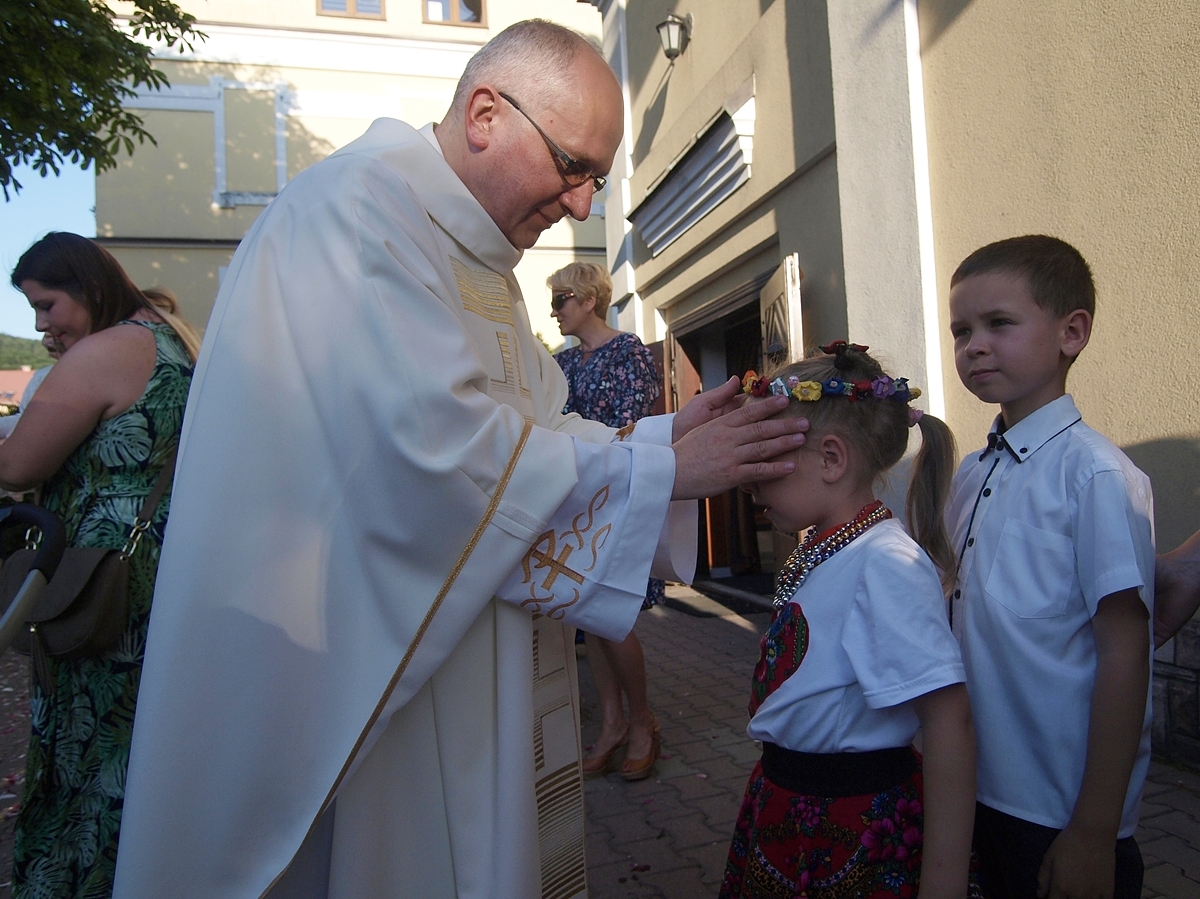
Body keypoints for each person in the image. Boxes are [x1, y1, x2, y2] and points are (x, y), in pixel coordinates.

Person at [112, 20, 808, 899]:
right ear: (485, 114)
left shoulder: (474, 256)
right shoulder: (356, 216)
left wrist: (664, 440)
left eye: (595, 179)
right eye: (573, 166)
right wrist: (666, 472)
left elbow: (537, 428)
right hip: (360, 680)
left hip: (463, 668)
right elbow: (433, 460)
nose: (583, 206)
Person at [719, 344, 976, 898]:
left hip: (849, 823)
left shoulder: (885, 563)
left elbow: (948, 721)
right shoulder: (826, 548)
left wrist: (944, 883)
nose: (747, 482)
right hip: (788, 804)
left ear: (831, 459)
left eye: (763, 460)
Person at [946, 235, 1154, 899]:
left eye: (998, 324)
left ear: (1072, 332)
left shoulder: (1094, 475)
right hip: (972, 785)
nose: (974, 346)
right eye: (961, 331)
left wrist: (1094, 830)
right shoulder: (972, 472)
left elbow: (1126, 651)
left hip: (1057, 810)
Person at [0, 232, 198, 897]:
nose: (40, 325)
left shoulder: (106, 350)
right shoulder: (172, 339)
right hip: (159, 568)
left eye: (46, 304)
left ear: (86, 287)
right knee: (136, 748)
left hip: (98, 577)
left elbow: (18, 465)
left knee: (83, 749)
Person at [549, 261, 663, 779]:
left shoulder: (629, 352)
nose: (555, 311)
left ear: (589, 299)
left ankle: (642, 722)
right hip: (576, 498)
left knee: (613, 614)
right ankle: (613, 723)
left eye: (562, 300)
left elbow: (632, 429)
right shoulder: (561, 364)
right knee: (588, 613)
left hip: (618, 494)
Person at [0, 334, 59, 441]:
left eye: (61, 333)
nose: (46, 339)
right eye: (47, 333)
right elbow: (24, 420)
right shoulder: (42, 375)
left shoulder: (49, 376)